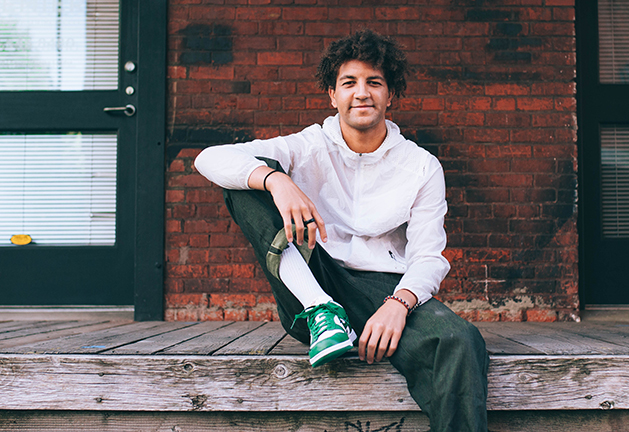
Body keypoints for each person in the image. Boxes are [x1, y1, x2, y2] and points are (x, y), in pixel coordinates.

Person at [195, 29, 488, 431]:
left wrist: (398, 304)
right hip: (312, 281)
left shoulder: (421, 166)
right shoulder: (308, 145)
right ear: (332, 96)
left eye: (374, 83)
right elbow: (210, 159)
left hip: (382, 290)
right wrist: (276, 181)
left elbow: (427, 257)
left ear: (390, 96)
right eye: (349, 83)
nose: (362, 93)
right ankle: (323, 311)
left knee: (460, 341)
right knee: (246, 181)